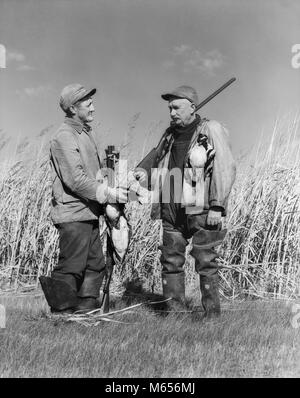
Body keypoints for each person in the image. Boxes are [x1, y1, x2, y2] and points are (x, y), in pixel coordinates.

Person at [149, 85, 236, 318]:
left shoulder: (211, 129)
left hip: (200, 206)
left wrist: (218, 205)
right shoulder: (168, 135)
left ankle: (212, 317)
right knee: (170, 261)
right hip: (170, 207)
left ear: (192, 108)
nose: (172, 113)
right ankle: (174, 315)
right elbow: (156, 161)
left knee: (206, 261)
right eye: (169, 108)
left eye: (176, 107)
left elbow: (225, 167)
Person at [40, 83, 127, 313]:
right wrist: (108, 193)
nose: (93, 108)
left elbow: (93, 175)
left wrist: (113, 179)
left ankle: (85, 312)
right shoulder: (64, 137)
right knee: (71, 266)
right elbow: (76, 180)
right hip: (73, 213)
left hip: (88, 211)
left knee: (95, 265)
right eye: (88, 104)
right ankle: (61, 315)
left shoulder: (85, 134)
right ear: (72, 108)